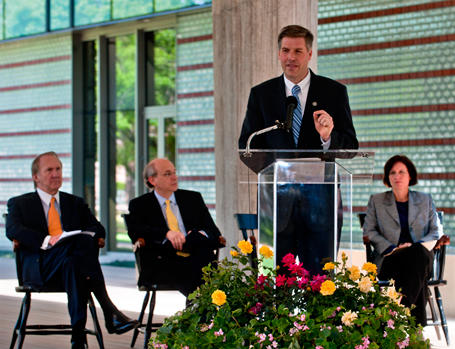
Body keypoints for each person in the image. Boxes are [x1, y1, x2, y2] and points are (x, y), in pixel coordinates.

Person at [238, 25, 358, 274]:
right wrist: (279, 173)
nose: (290, 57)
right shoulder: (261, 94)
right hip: (276, 203)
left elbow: (350, 147)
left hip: (321, 204)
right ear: (279, 53)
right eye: (285, 50)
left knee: (321, 278)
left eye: (298, 51)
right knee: (276, 280)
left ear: (310, 54)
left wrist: (327, 138)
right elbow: (247, 146)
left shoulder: (333, 92)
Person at [6, 152, 138, 349]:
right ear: (36, 177)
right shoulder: (20, 203)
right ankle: (109, 312)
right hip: (40, 269)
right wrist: (50, 240)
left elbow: (98, 229)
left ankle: (78, 338)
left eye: (58, 169)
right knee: (75, 246)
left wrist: (72, 238)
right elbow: (13, 230)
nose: (55, 173)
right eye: (49, 170)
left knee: (73, 260)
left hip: (71, 268)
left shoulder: (74, 203)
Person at [363, 154, 443, 326]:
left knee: (416, 256)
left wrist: (414, 247)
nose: (397, 176)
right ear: (387, 177)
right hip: (390, 258)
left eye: (401, 172)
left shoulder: (425, 199)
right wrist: (393, 248)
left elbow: (436, 232)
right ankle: (414, 330)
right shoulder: (377, 200)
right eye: (392, 173)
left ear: (410, 176)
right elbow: (369, 231)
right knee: (416, 271)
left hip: (420, 256)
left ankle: (397, 315)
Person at [127, 158, 226, 297]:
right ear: (152, 180)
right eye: (167, 174)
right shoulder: (140, 204)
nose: (174, 177)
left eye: (174, 172)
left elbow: (213, 232)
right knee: (199, 279)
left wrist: (197, 234)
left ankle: (194, 312)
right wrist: (167, 233)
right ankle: (196, 311)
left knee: (203, 269)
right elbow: (136, 232)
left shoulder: (193, 199)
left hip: (196, 257)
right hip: (164, 262)